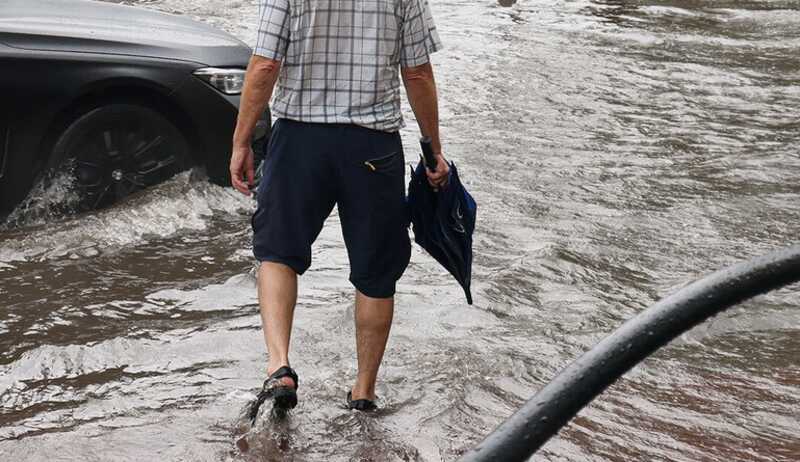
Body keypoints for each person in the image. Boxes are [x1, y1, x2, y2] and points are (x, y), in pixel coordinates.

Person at [230, 0, 449, 415]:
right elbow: (417, 71)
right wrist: (433, 148)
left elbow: (264, 65)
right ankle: (364, 391)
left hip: (299, 140)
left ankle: (279, 366)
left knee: (277, 252)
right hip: (372, 144)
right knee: (376, 272)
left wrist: (242, 141)